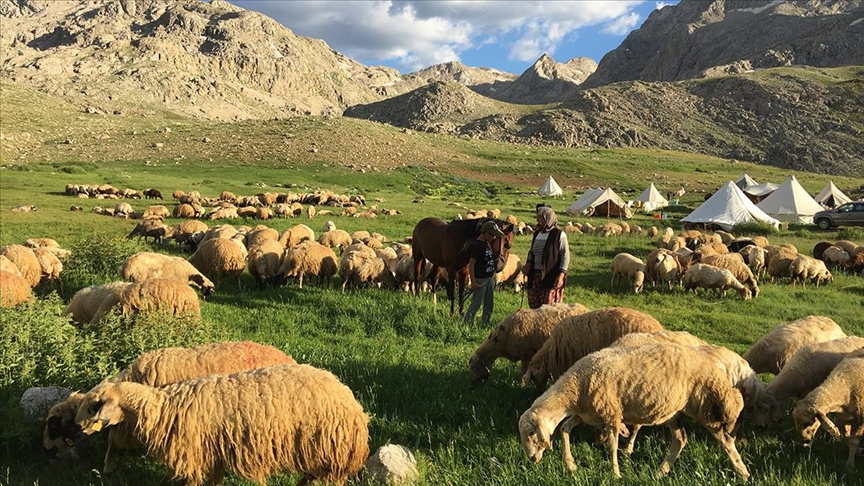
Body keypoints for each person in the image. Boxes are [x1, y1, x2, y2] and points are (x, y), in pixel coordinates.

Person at [523, 206, 570, 309]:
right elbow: (532, 251)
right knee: (534, 305)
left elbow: (565, 255)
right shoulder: (537, 234)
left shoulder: (559, 234)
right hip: (535, 275)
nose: (537, 220)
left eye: (540, 217)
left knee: (548, 308)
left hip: (551, 276)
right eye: (537, 217)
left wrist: (561, 275)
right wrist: (528, 263)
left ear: (547, 218)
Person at [463, 220, 505, 326]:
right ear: (486, 233)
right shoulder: (477, 246)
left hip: (489, 277)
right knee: (476, 304)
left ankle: (485, 323)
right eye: (493, 235)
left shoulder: (487, 244)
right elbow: (471, 264)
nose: (494, 238)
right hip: (480, 279)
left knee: (489, 304)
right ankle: (467, 323)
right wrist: (473, 282)